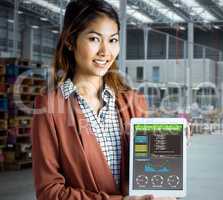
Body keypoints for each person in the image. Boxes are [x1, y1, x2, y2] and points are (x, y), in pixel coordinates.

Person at [31, 0, 175, 200]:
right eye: (94, 39)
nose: (105, 52)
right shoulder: (50, 107)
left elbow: (148, 168)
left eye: (113, 40)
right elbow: (49, 192)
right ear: (70, 41)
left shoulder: (132, 101)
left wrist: (170, 143)